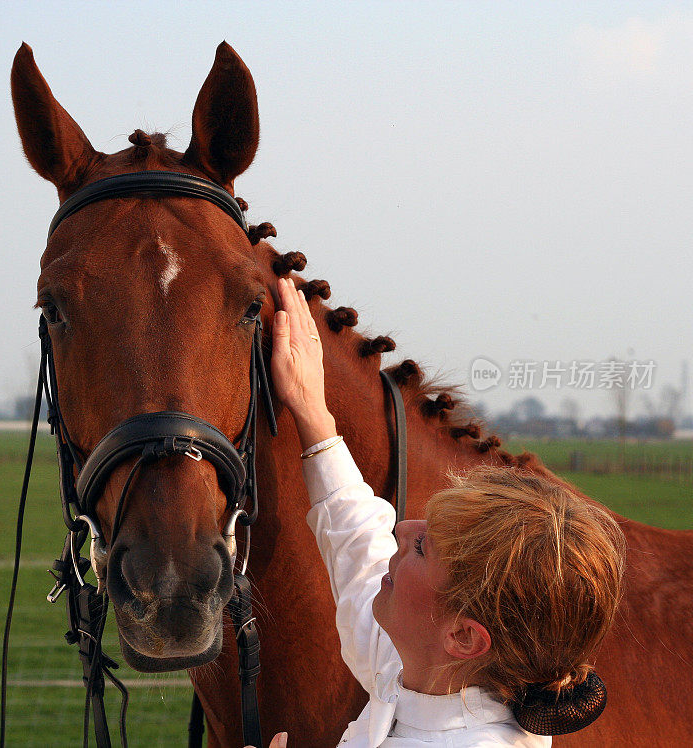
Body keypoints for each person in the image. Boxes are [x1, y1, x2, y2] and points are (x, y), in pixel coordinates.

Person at [254, 277, 626, 747]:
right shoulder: (429, 674)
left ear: (465, 637)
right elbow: (360, 549)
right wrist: (313, 415)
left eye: (423, 547)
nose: (403, 527)